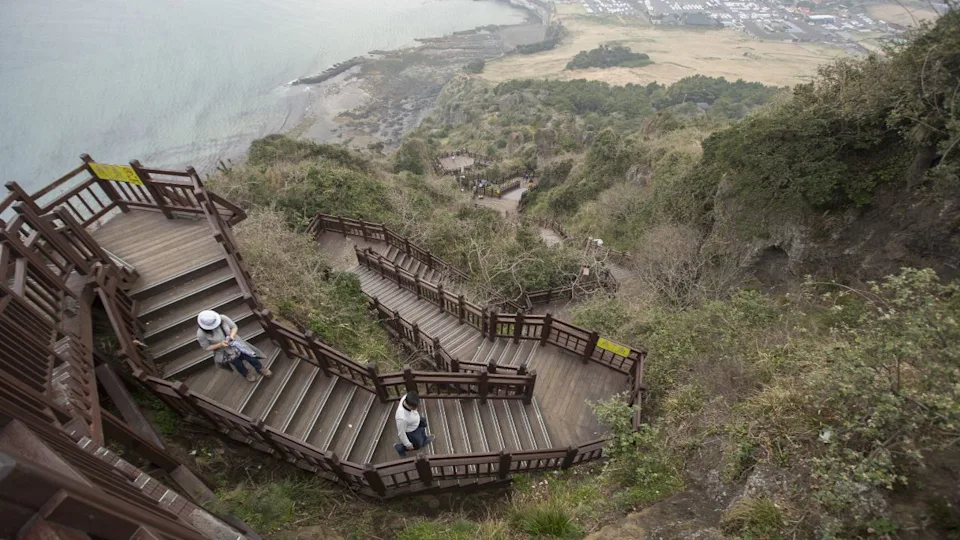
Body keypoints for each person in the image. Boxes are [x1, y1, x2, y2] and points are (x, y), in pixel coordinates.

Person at [196, 310, 272, 382]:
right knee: (238, 364)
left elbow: (234, 327)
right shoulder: (201, 333)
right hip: (226, 352)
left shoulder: (222, 318)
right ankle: (246, 374)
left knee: (251, 357)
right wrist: (220, 345)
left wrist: (232, 336)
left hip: (237, 344)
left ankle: (260, 368)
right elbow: (206, 347)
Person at [394, 392, 434, 457]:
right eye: (415, 407)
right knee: (417, 445)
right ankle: (399, 447)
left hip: (416, 421)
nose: (417, 407)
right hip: (412, 431)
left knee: (423, 428)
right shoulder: (401, 418)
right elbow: (401, 433)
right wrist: (408, 444)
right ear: (409, 406)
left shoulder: (407, 397)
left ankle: (424, 439)